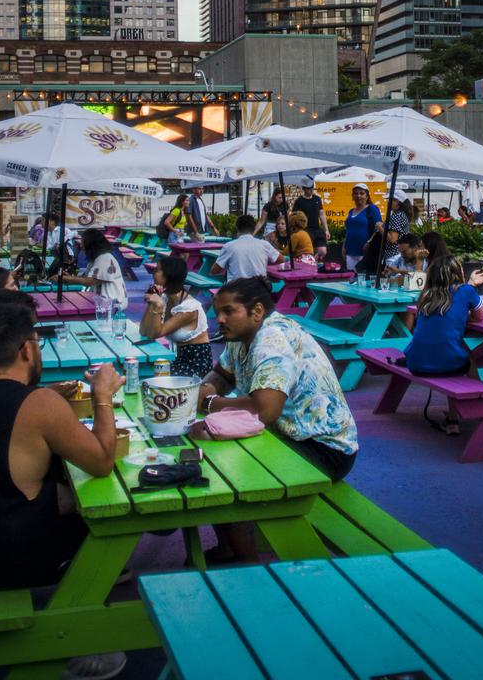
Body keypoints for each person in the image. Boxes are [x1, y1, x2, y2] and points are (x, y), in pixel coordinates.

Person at [0, 301, 128, 680]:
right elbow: (102, 462)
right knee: (97, 522)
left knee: (59, 496)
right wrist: (102, 394)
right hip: (4, 562)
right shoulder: (40, 403)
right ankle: (75, 641)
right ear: (26, 350)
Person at [198, 277, 359, 560]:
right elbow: (222, 374)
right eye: (217, 311)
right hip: (288, 435)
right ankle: (229, 546)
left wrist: (209, 402)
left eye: (228, 311)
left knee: (225, 469)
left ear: (257, 311)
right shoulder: (241, 336)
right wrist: (206, 388)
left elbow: (265, 410)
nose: (219, 318)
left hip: (324, 449)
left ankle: (249, 566)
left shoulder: (272, 339)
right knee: (212, 447)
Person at [404, 250, 483, 379]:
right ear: (458, 273)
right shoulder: (466, 291)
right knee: (466, 352)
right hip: (449, 366)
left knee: (452, 343)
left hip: (415, 364)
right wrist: (460, 315)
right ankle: (476, 392)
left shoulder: (425, 295)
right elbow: (479, 317)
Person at [139, 254, 210, 376]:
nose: (153, 273)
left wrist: (158, 306)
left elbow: (156, 333)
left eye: (157, 270)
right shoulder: (166, 298)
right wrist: (151, 303)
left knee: (149, 375)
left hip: (196, 365)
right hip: (178, 359)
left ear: (169, 275)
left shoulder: (190, 308)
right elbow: (144, 331)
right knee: (140, 369)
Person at [57, 228, 127, 310]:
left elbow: (89, 281)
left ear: (90, 244)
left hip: (113, 304)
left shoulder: (104, 258)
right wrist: (69, 277)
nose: (81, 245)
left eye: (83, 242)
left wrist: (63, 277)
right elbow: (85, 278)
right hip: (104, 301)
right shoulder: (96, 259)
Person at [213, 213, 278, 282]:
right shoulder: (265, 244)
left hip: (236, 290)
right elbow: (281, 259)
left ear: (237, 228)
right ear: (253, 229)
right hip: (261, 289)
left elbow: (214, 270)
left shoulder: (229, 246)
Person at [341, 186, 382, 270]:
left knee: (362, 278)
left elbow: (378, 229)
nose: (358, 196)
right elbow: (348, 230)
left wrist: (369, 242)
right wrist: (344, 246)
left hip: (365, 252)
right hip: (350, 251)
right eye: (356, 193)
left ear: (367, 196)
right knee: (351, 278)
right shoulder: (351, 211)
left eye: (361, 193)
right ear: (352, 196)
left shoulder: (372, 209)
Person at [289, 187, 328, 255]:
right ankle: (311, 263)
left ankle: (314, 261)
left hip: (316, 229)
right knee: (309, 252)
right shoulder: (299, 201)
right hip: (305, 230)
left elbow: (321, 214)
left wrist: (326, 230)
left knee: (323, 251)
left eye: (312, 188)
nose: (311, 190)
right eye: (308, 188)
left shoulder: (317, 199)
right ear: (303, 189)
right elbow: (294, 217)